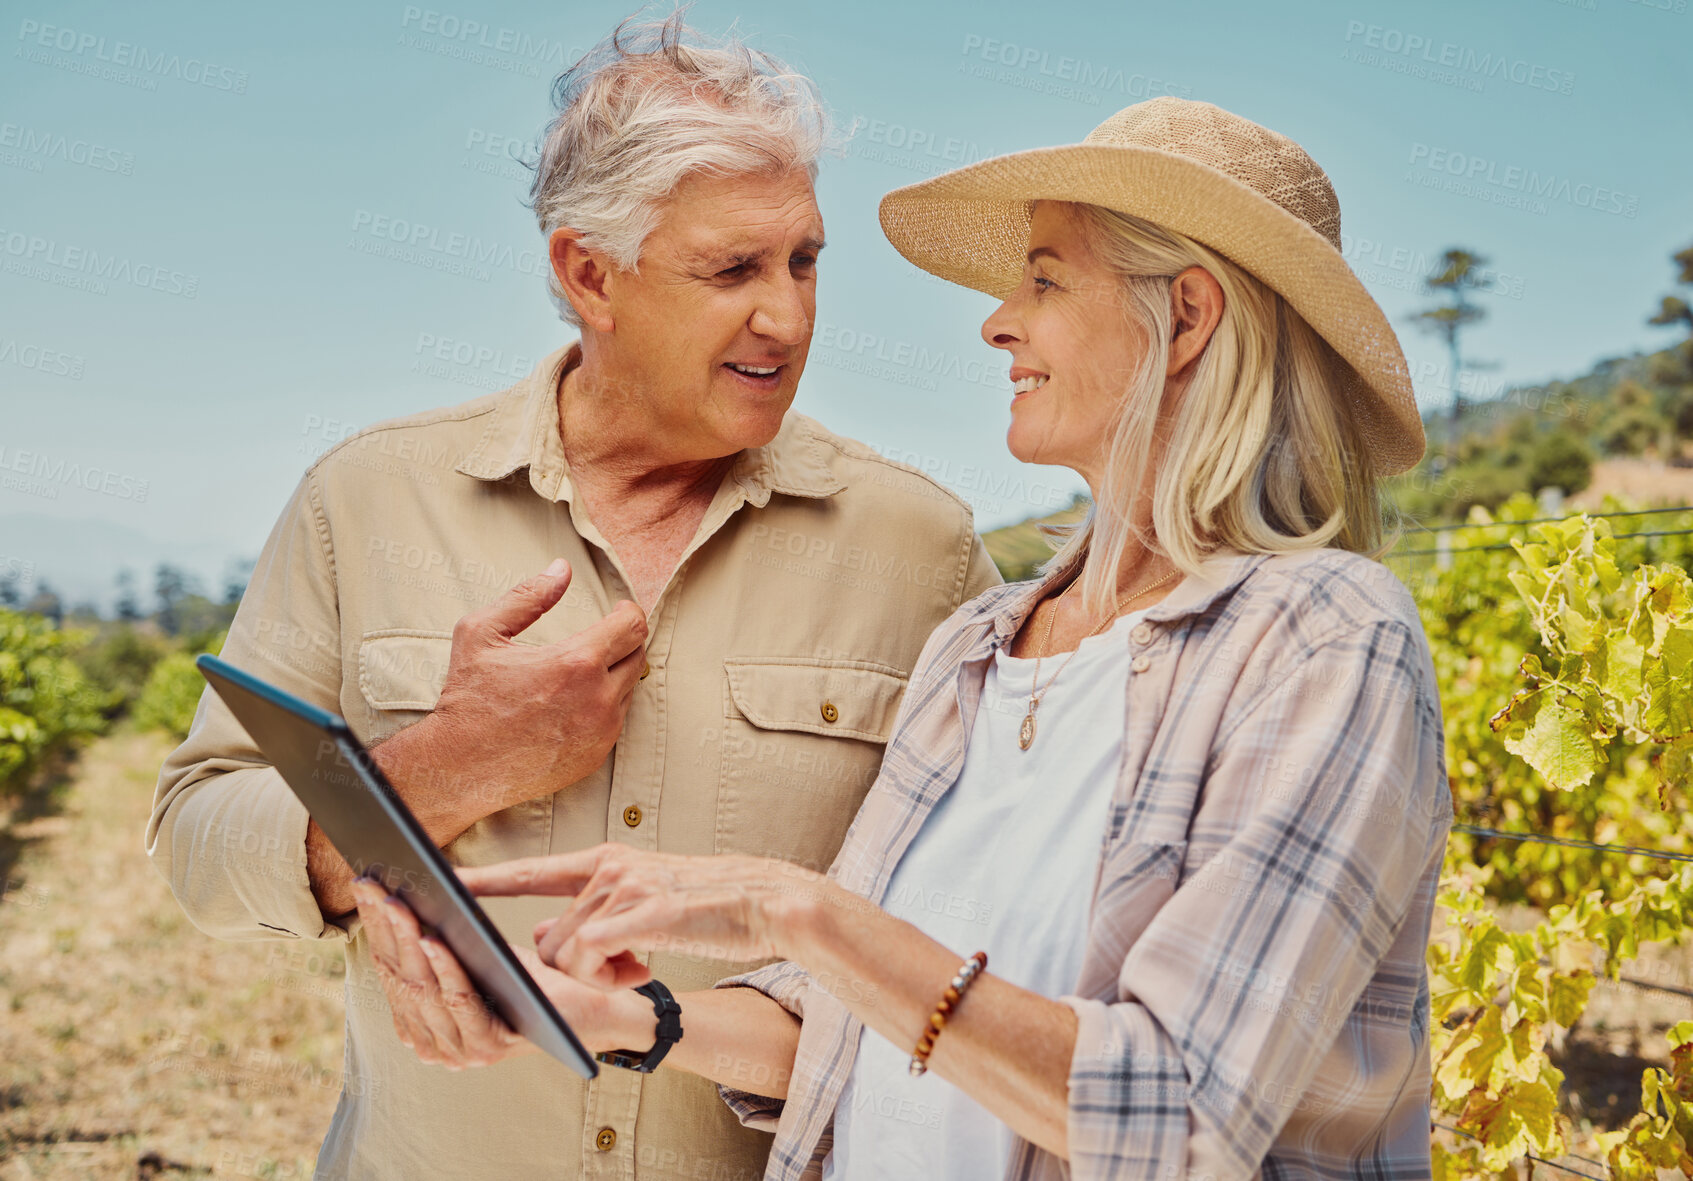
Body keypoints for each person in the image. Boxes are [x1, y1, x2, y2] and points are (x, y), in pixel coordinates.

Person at [359, 96, 1451, 1179]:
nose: (997, 320)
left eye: (1045, 276)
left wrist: (798, 909)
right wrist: (616, 1013)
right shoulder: (979, 644)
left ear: (1192, 316)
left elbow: (1174, 1115)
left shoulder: (1325, 642)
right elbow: (857, 1022)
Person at [146, 15, 1001, 1180]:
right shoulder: (367, 497)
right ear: (588, 272)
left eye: (803, 261)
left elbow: (981, 927)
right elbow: (198, 835)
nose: (787, 317)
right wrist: (443, 771)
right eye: (730, 270)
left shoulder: (922, 547)